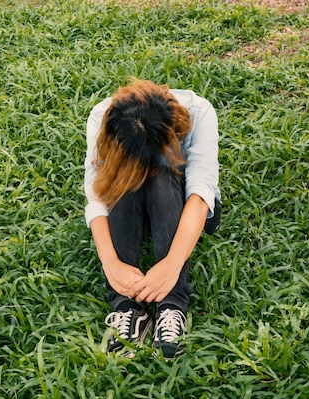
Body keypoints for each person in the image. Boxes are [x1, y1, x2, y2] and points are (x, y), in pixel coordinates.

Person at [84, 78, 221, 359]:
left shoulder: (200, 112)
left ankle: (172, 307)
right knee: (124, 184)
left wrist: (171, 265)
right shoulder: (102, 117)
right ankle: (126, 308)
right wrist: (111, 264)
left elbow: (200, 193)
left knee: (159, 179)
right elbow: (97, 195)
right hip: (124, 196)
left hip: (179, 200)